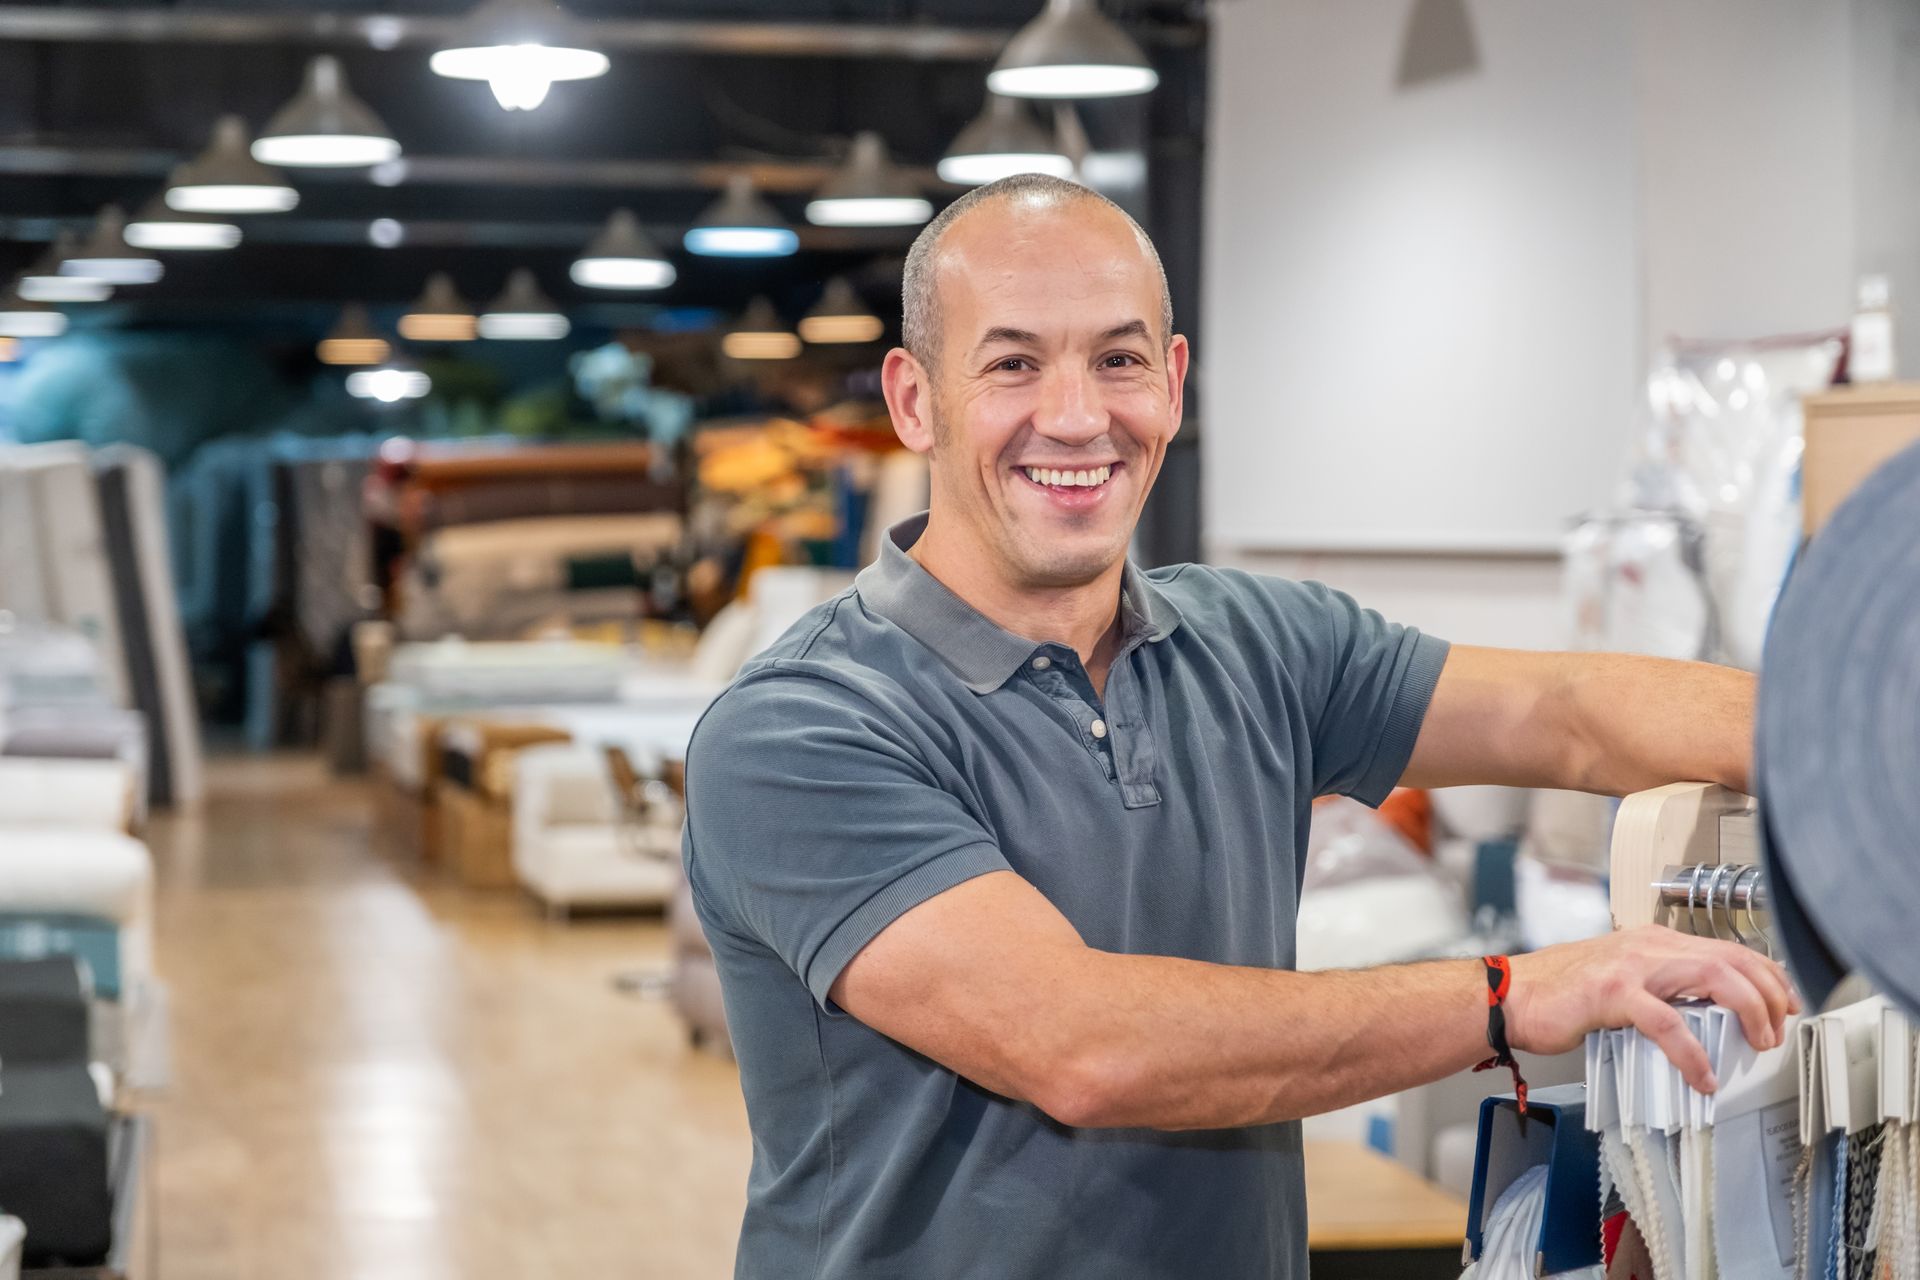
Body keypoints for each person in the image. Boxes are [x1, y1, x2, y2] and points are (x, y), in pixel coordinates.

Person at [681, 174, 1796, 1280]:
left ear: (1170, 385)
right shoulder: (799, 726)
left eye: (1118, 359)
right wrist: (1514, 994)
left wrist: (1848, 749)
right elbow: (1082, 1042)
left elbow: (1565, 714)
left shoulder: (1257, 641)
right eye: (1013, 361)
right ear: (914, 400)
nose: (1076, 415)